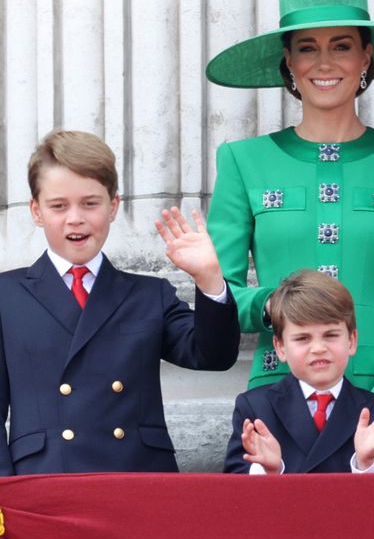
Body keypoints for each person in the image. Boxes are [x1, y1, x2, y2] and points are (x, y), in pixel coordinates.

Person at [205, 0, 374, 471]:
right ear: (289, 63)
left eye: (342, 46)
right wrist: (274, 302)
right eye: (307, 48)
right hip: (276, 400)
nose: (324, 63)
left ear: (366, 57)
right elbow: (219, 294)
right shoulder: (242, 162)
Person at [0, 130, 240, 474]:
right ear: (36, 211)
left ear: (113, 206)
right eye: (58, 206)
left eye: (90, 203)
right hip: (45, 480)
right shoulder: (6, 295)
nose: (75, 218)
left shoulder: (149, 295)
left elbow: (213, 356)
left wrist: (209, 278)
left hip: (136, 478)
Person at [224, 270, 374, 474]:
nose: (318, 348)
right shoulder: (256, 408)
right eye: (302, 338)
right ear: (280, 347)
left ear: (352, 341)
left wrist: (365, 463)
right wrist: (270, 471)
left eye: (330, 335)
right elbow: (234, 492)